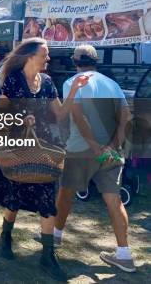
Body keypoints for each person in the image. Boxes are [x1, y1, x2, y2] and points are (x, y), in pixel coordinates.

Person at [0, 38, 90, 282]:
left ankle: (47, 256)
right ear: (30, 56)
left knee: (47, 200)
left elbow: (61, 113)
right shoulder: (13, 81)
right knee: (13, 199)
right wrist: (20, 119)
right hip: (18, 146)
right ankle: (5, 238)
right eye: (45, 54)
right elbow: (0, 115)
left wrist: (74, 91)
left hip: (43, 147)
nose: (49, 58)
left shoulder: (46, 82)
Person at [54, 45, 136, 273]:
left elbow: (77, 116)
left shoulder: (73, 82)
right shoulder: (113, 84)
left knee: (66, 193)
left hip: (81, 149)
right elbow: (126, 118)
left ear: (75, 61)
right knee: (114, 201)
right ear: (95, 60)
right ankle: (124, 255)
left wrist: (93, 145)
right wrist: (111, 146)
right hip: (111, 152)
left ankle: (55, 237)